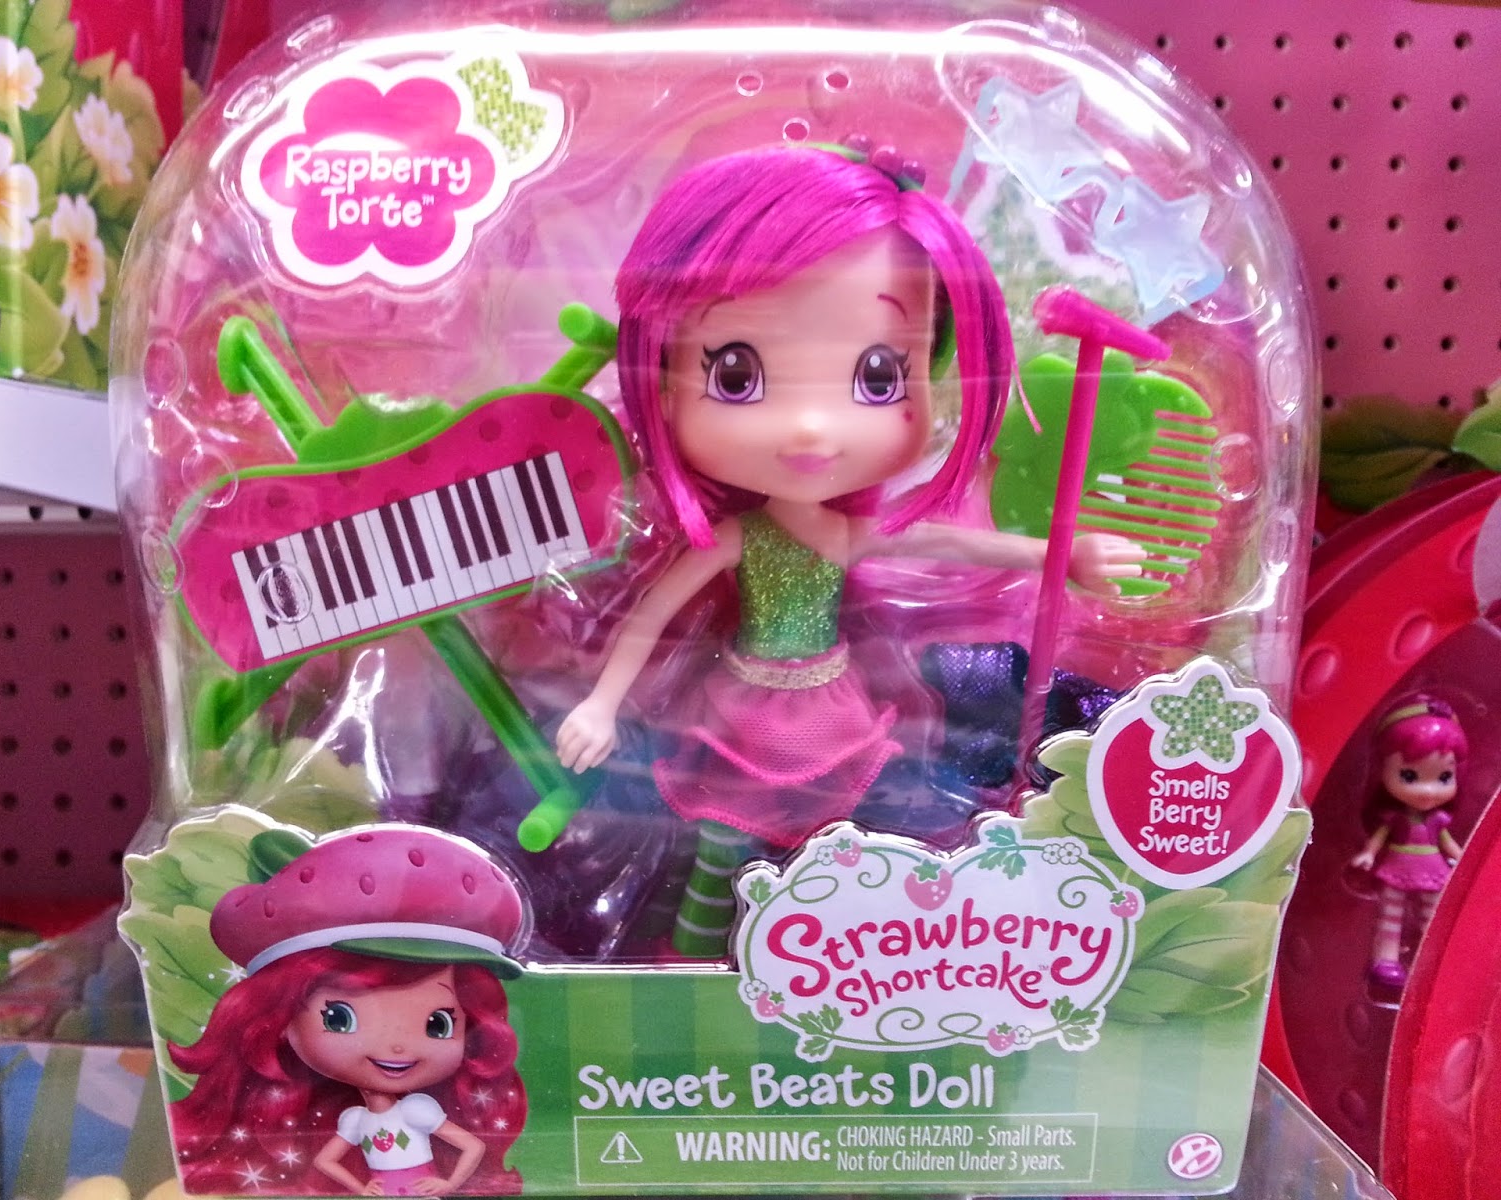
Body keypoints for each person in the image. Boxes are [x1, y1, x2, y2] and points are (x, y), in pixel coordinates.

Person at [554, 142, 1142, 955]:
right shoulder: (742, 537)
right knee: (720, 840)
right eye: (735, 375)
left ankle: (813, 961)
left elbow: (948, 542)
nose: (809, 428)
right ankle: (690, 960)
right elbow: (651, 614)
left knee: (827, 842)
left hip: (828, 709)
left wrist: (1059, 555)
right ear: (664, 374)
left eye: (877, 376)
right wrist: (600, 703)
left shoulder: (841, 533)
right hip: (745, 708)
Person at [168, 828, 526, 1195]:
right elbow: (326, 1162)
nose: (397, 1047)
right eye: (339, 1018)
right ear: (280, 1020)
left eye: (438, 1024)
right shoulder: (354, 1120)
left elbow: (472, 1146)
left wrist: (448, 1184)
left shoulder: (418, 1110)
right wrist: (360, 1187)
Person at [1351, 696, 1468, 990]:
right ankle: (1386, 960)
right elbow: (1378, 839)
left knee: (1434, 916)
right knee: (1391, 914)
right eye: (1409, 776)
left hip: (1432, 870)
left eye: (1444, 777)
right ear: (1383, 769)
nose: (1427, 791)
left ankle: (1434, 960)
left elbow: (1448, 844)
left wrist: (1465, 861)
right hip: (1397, 867)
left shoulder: (1437, 821)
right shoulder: (1394, 818)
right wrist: (1368, 854)